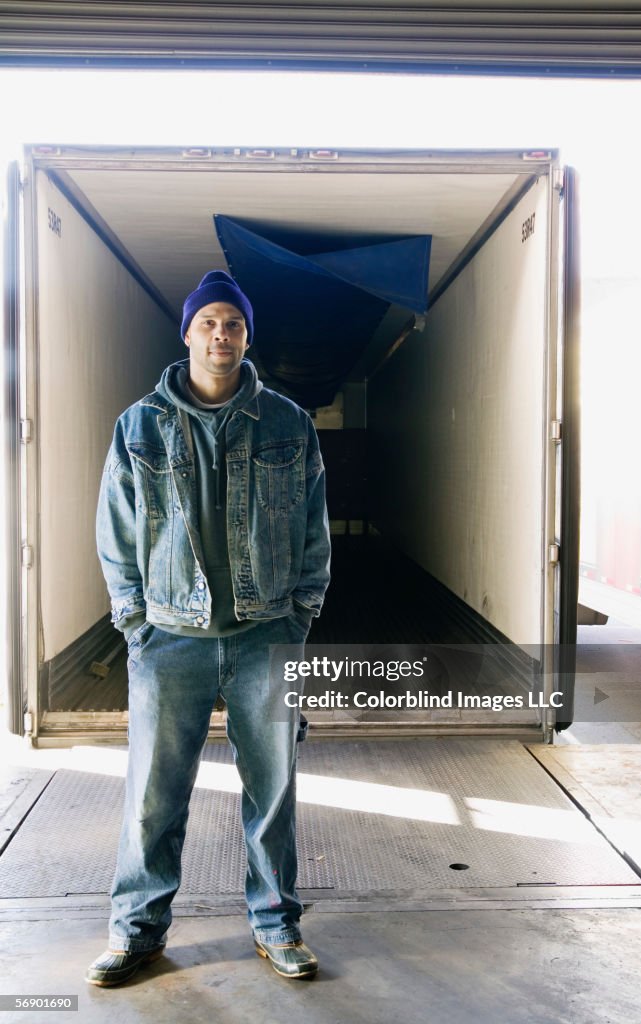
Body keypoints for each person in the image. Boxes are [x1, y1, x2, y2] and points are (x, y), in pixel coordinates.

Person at [86, 270, 331, 986]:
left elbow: (314, 531)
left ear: (246, 336)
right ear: (187, 332)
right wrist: (135, 621)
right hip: (169, 639)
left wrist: (299, 618)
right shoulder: (139, 426)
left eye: (233, 323)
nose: (220, 334)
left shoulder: (288, 421)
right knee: (152, 798)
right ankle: (136, 933)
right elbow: (115, 532)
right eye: (208, 322)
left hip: (264, 638)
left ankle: (275, 923)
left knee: (273, 793)